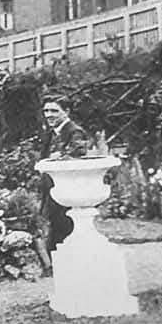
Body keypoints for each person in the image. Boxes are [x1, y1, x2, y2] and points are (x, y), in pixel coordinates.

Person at [38, 95, 90, 254]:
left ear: (66, 111)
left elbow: (76, 156)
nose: (49, 115)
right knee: (54, 227)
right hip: (52, 190)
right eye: (46, 110)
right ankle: (57, 264)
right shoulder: (50, 133)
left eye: (54, 110)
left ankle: (74, 264)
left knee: (67, 228)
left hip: (69, 190)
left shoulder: (75, 132)